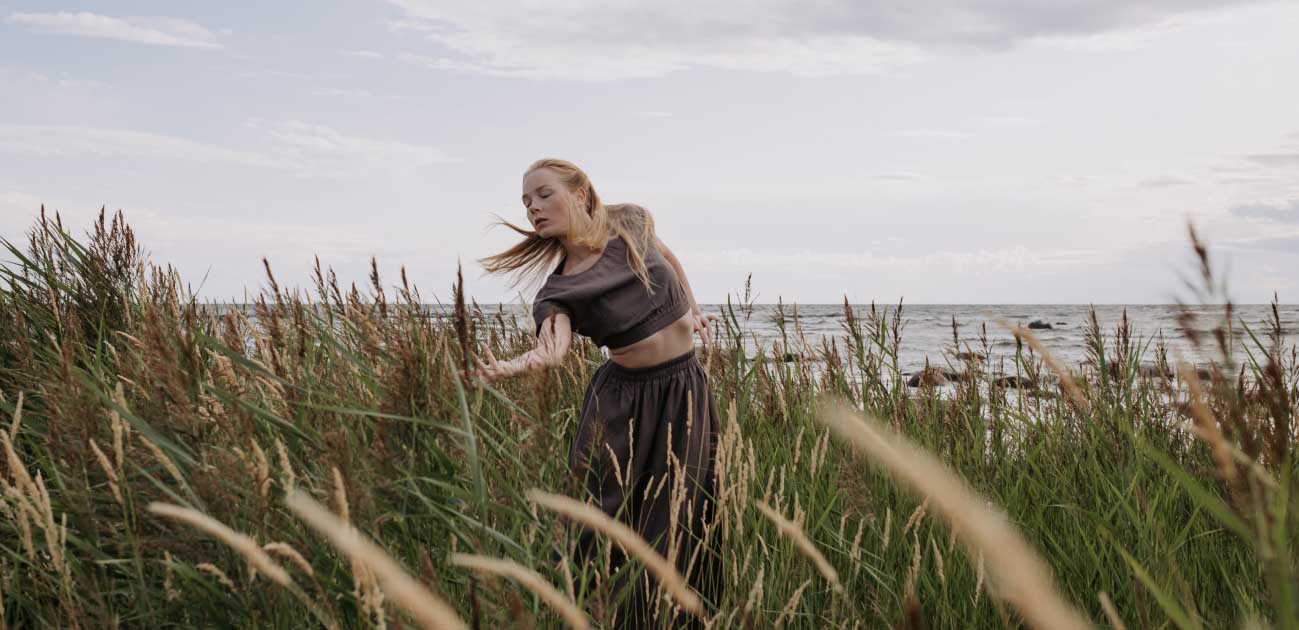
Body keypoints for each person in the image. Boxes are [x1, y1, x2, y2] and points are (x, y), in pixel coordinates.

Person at [474, 158, 721, 628]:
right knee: (604, 526)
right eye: (526, 202)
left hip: (685, 389)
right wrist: (518, 364)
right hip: (624, 404)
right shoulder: (559, 289)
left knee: (683, 519)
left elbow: (668, 259)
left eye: (543, 194)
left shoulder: (630, 220)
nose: (533, 208)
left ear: (581, 194)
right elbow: (553, 348)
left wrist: (693, 309)